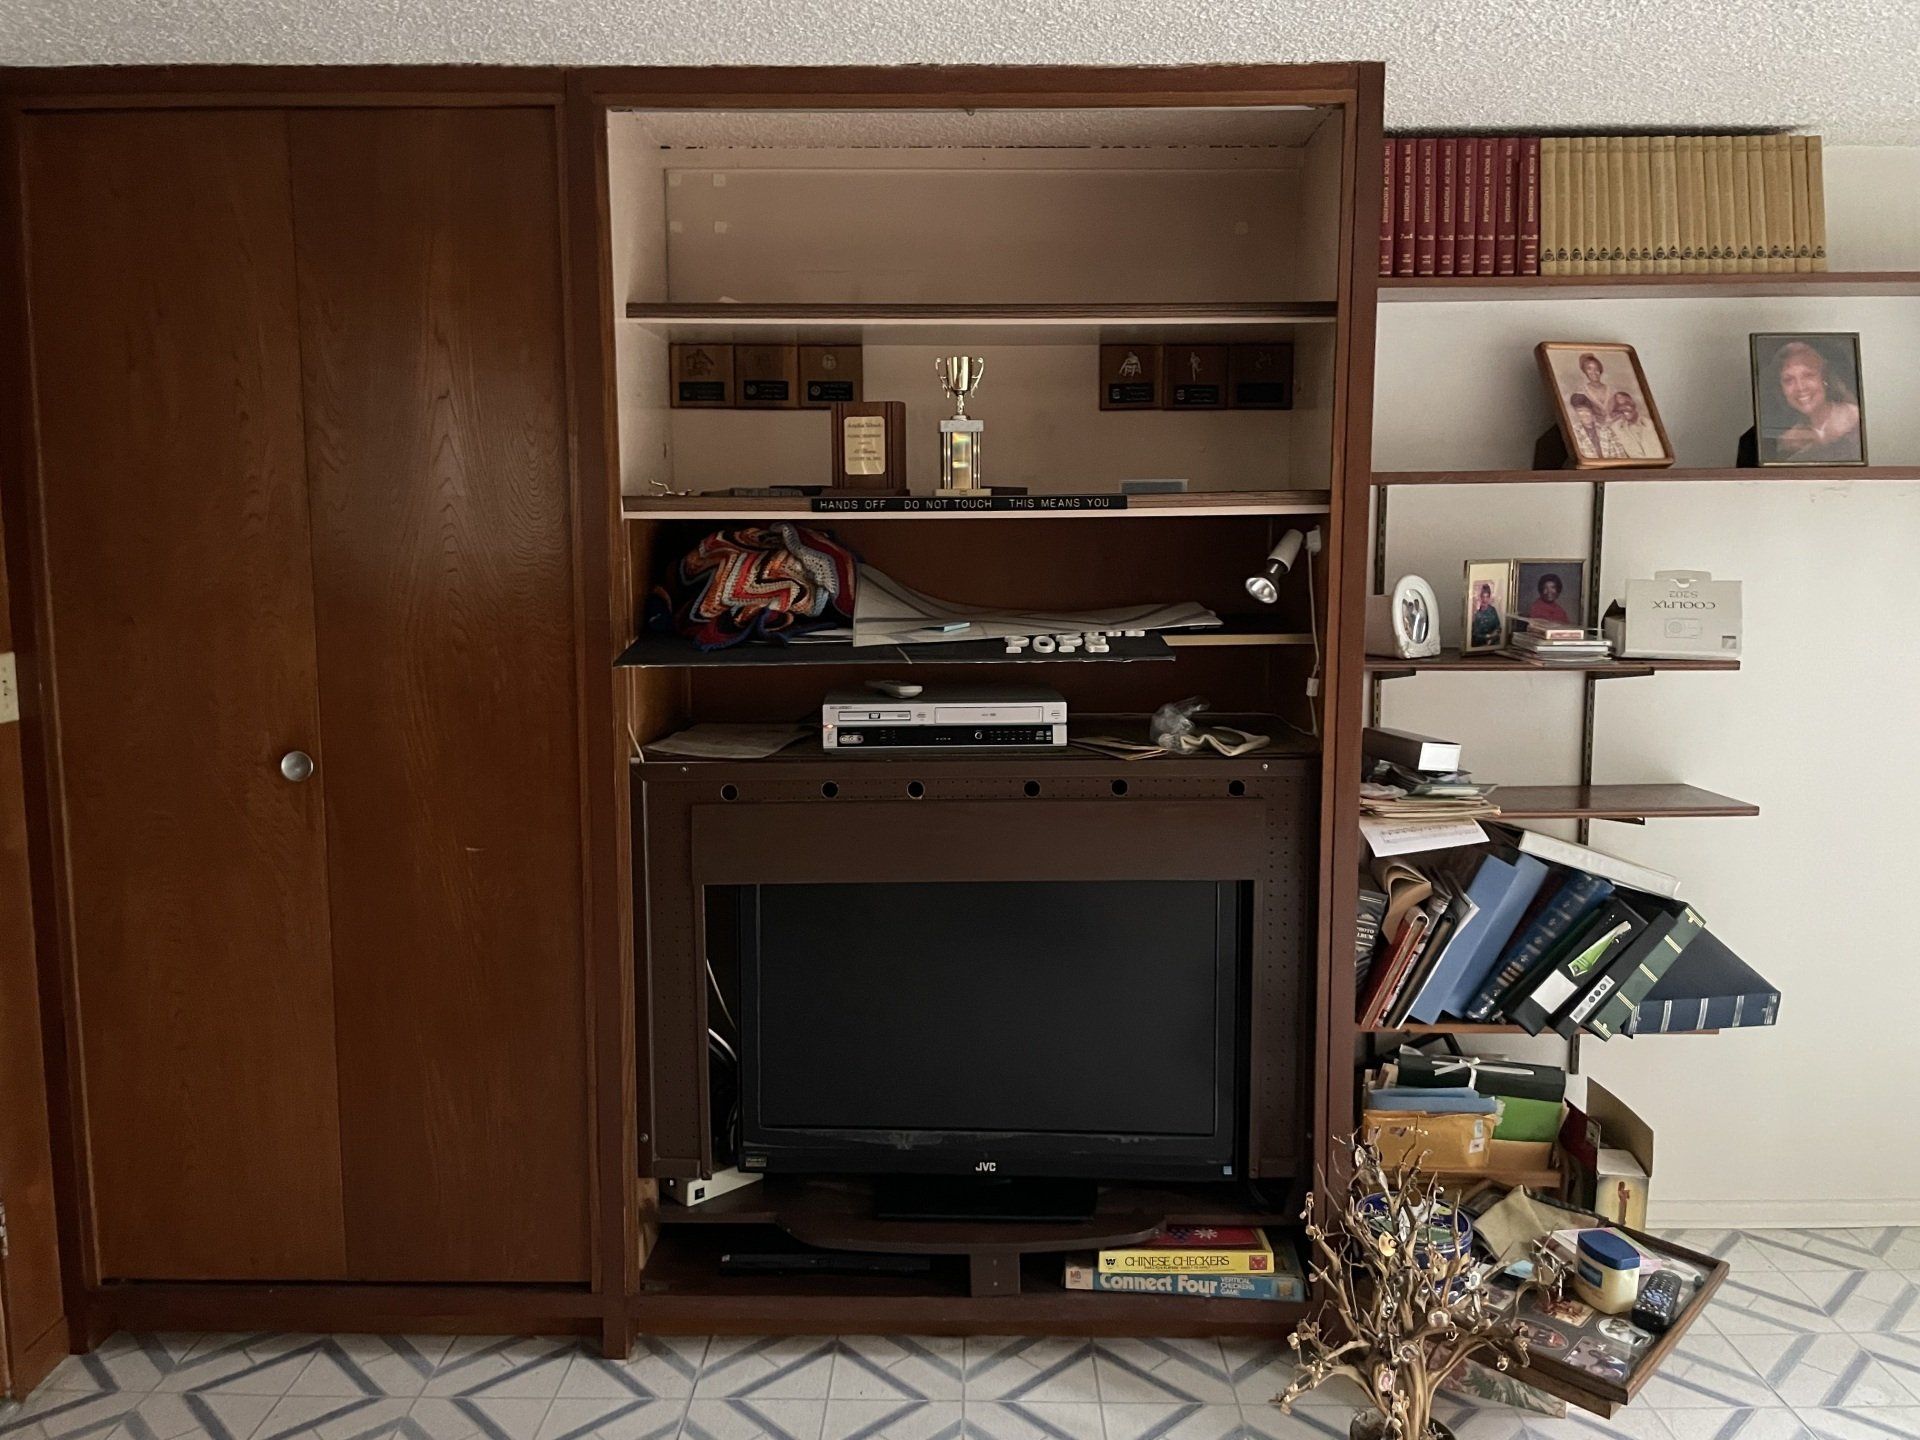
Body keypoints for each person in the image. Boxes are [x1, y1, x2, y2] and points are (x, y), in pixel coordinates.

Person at [1770, 339, 1862, 462]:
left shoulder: (1856, 419)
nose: (1800, 387)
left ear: (1825, 378)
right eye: (1789, 380)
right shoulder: (1787, 444)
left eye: (1808, 375)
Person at [1565, 393, 1624, 461]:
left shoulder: (1606, 430)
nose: (1584, 415)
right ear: (1576, 412)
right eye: (1580, 411)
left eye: (1587, 411)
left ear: (1592, 411)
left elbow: (1621, 455)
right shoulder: (1573, 432)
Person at [1608, 391, 1663, 459]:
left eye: (1626, 403)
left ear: (1633, 405)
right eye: (1618, 406)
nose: (1623, 408)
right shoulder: (1616, 429)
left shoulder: (1650, 424)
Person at [1469, 580, 1503, 649]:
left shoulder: (1492, 610)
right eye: (1483, 597)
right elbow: (1474, 633)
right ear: (1480, 597)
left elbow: (1498, 627)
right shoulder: (1476, 612)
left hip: (1493, 644)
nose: (1485, 600)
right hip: (1478, 645)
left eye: (1487, 597)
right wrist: (1487, 637)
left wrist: (1493, 635)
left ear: (1489, 597)